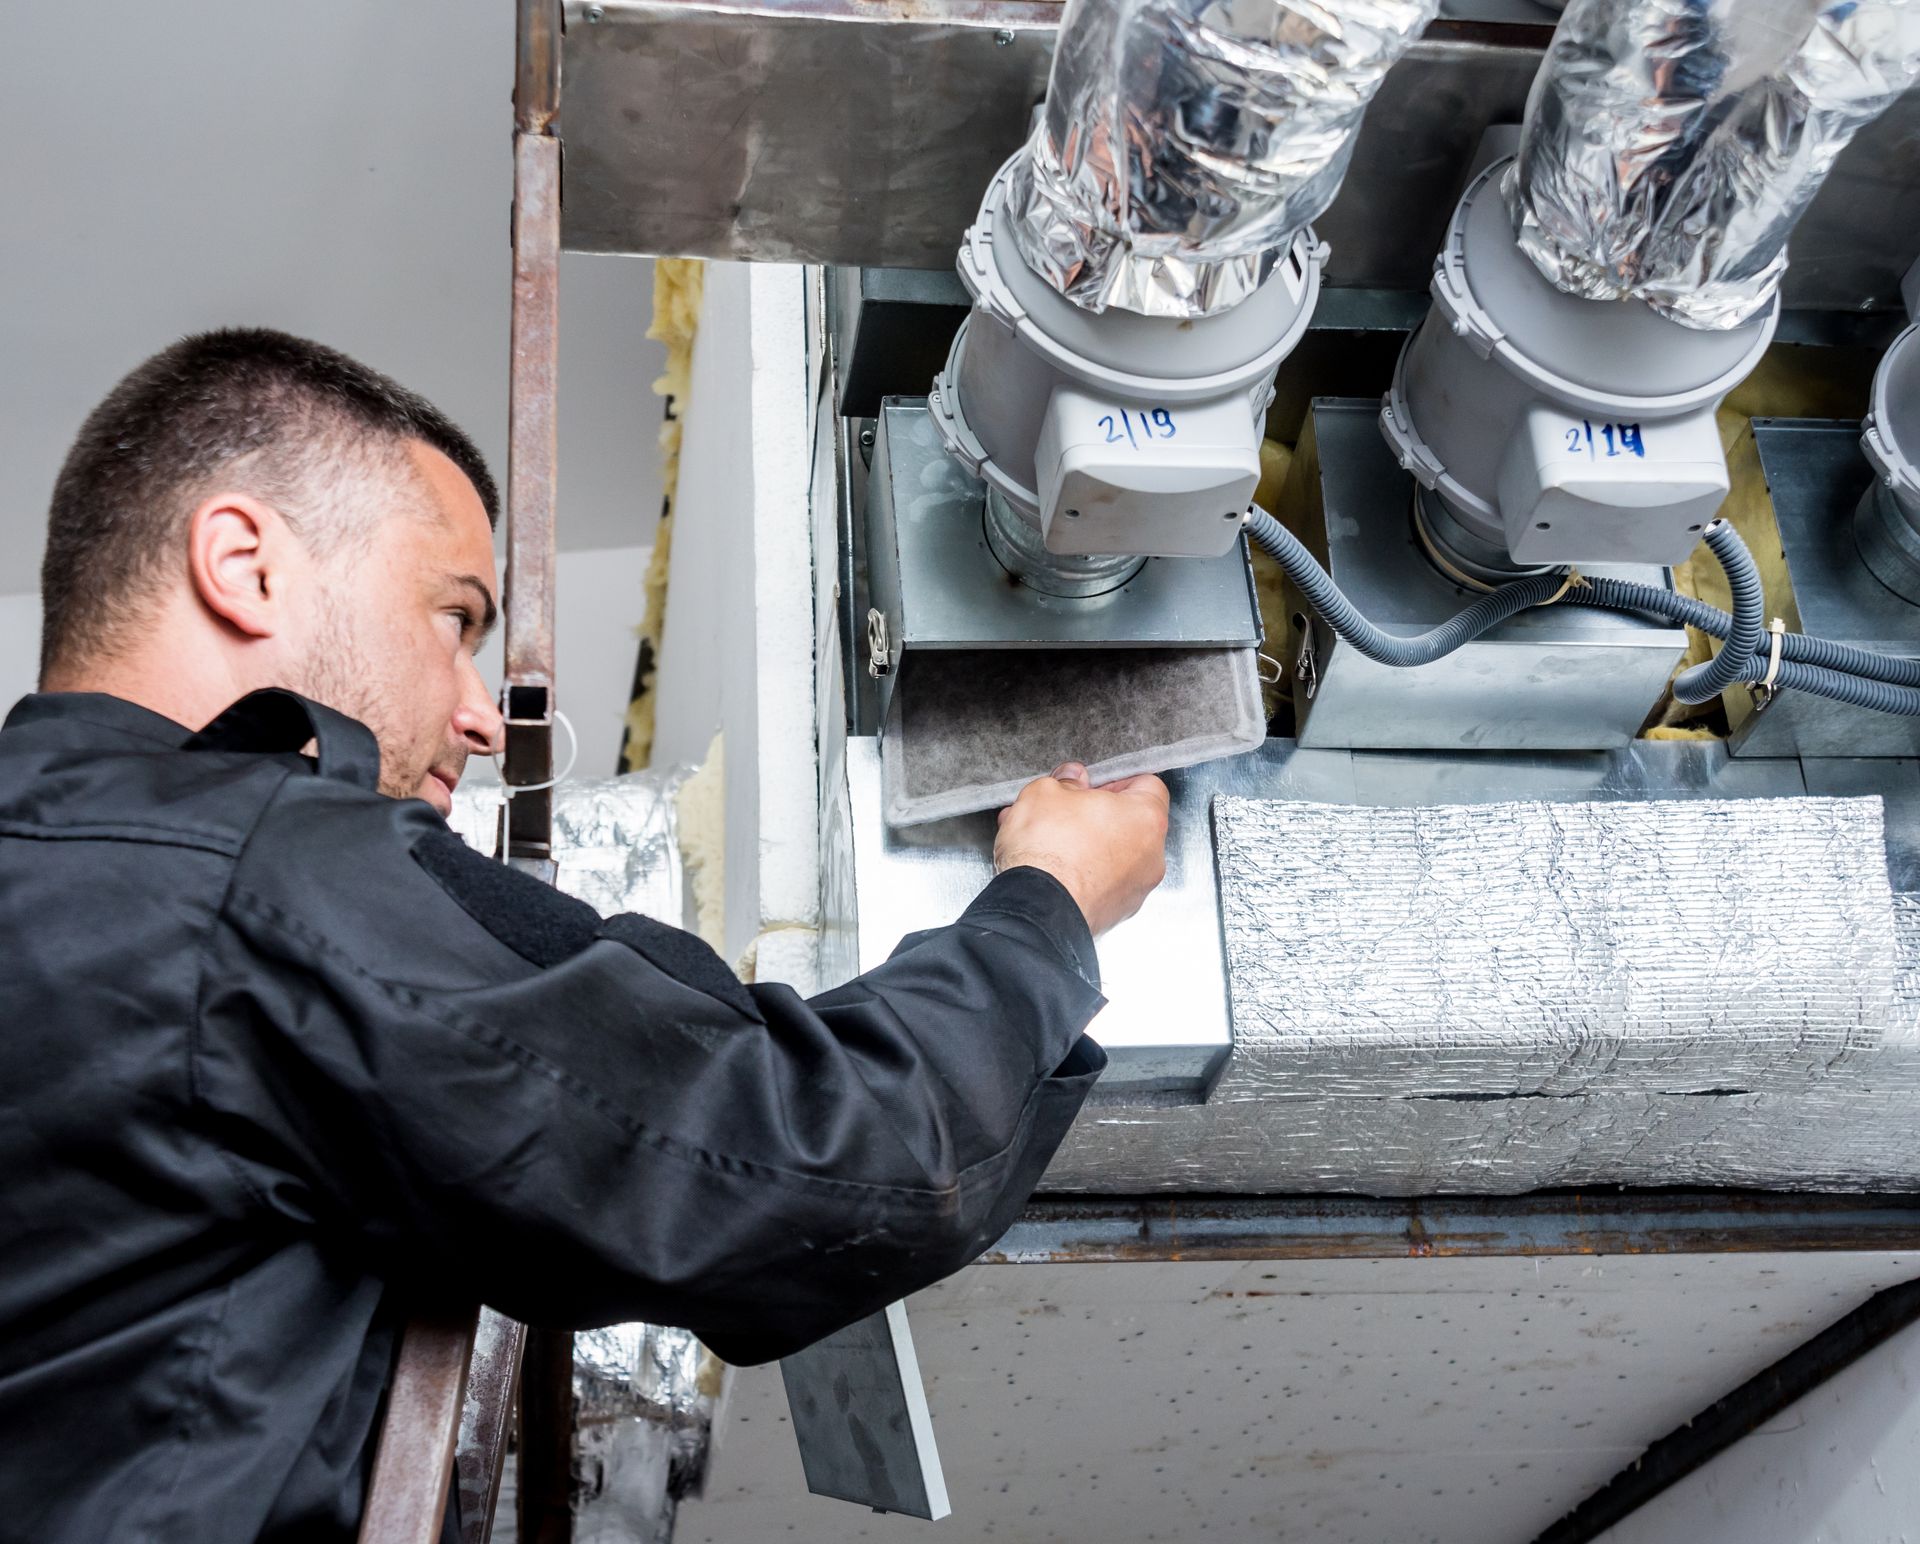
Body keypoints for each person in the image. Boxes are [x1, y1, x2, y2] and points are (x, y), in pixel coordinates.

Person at [0, 329, 1171, 1541]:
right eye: (454, 617)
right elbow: (812, 1152)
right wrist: (1050, 904)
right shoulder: (258, 871)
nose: (475, 710)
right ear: (244, 564)